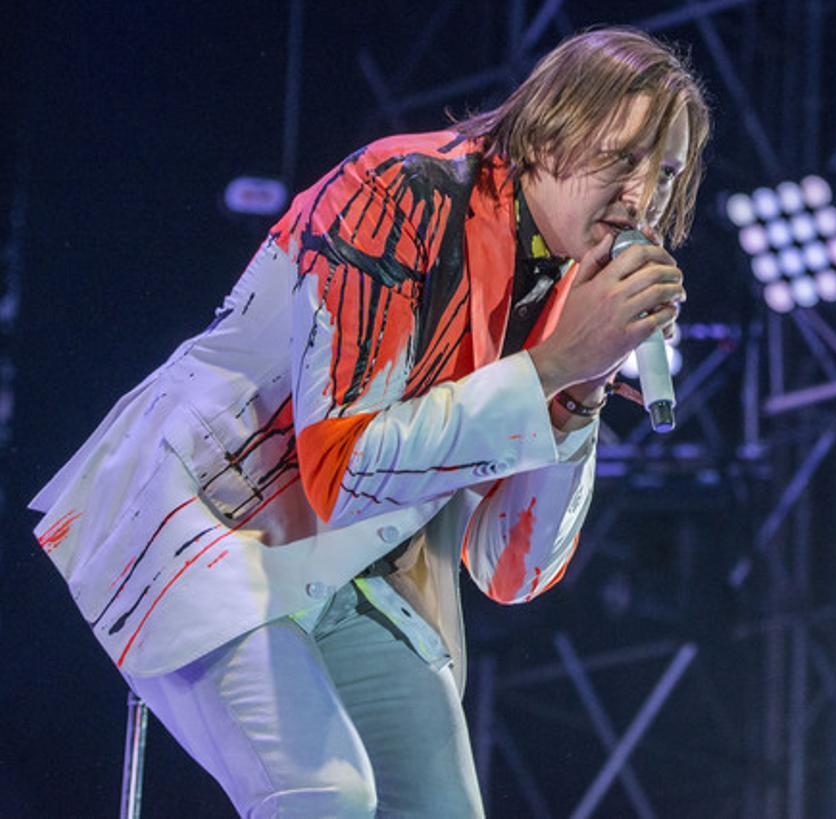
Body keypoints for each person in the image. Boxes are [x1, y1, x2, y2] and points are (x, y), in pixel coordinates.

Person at [31, 26, 710, 817]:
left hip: (347, 562)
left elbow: (512, 572)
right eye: (621, 157)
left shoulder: (567, 295)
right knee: (324, 794)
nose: (642, 198)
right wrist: (553, 365)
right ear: (550, 128)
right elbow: (341, 469)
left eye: (664, 174)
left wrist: (582, 389)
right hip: (206, 518)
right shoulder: (399, 192)